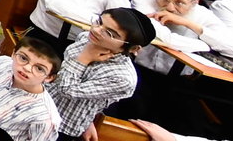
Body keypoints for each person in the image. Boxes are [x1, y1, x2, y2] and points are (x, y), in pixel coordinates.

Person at [47, 8, 155, 141]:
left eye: (109, 33)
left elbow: (66, 90)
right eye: (99, 22)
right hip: (36, 103)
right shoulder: (87, 37)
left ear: (133, 48)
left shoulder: (122, 78)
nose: (96, 30)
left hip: (59, 126)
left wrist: (84, 58)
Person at [0, 36, 62, 141]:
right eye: (23, 58)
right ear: (13, 53)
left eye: (39, 68)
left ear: (49, 77)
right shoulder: (2, 63)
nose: (27, 68)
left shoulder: (45, 117)